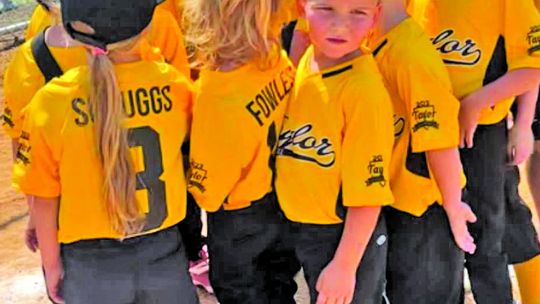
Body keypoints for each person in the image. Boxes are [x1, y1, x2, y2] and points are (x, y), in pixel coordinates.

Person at [12, 0, 198, 303]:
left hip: (89, 265)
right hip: (163, 254)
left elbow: (44, 199)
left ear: (71, 32)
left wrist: (52, 265)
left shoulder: (50, 103)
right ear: (147, 27)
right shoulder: (174, 85)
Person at [417, 0, 540, 302]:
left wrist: (521, 124)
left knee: (488, 238)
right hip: (427, 135)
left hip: (481, 135)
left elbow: (532, 63)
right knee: (435, 243)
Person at [274, 0, 394, 303]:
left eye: (358, 13)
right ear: (302, 8)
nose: (339, 25)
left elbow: (369, 196)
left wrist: (344, 266)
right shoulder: (309, 56)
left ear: (376, 16)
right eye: (326, 8)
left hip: (343, 238)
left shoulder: (363, 91)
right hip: (303, 227)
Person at [185, 0, 300, 303]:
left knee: (241, 292)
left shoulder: (214, 92)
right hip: (281, 201)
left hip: (239, 218)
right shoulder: (274, 57)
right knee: (280, 286)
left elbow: (207, 192)